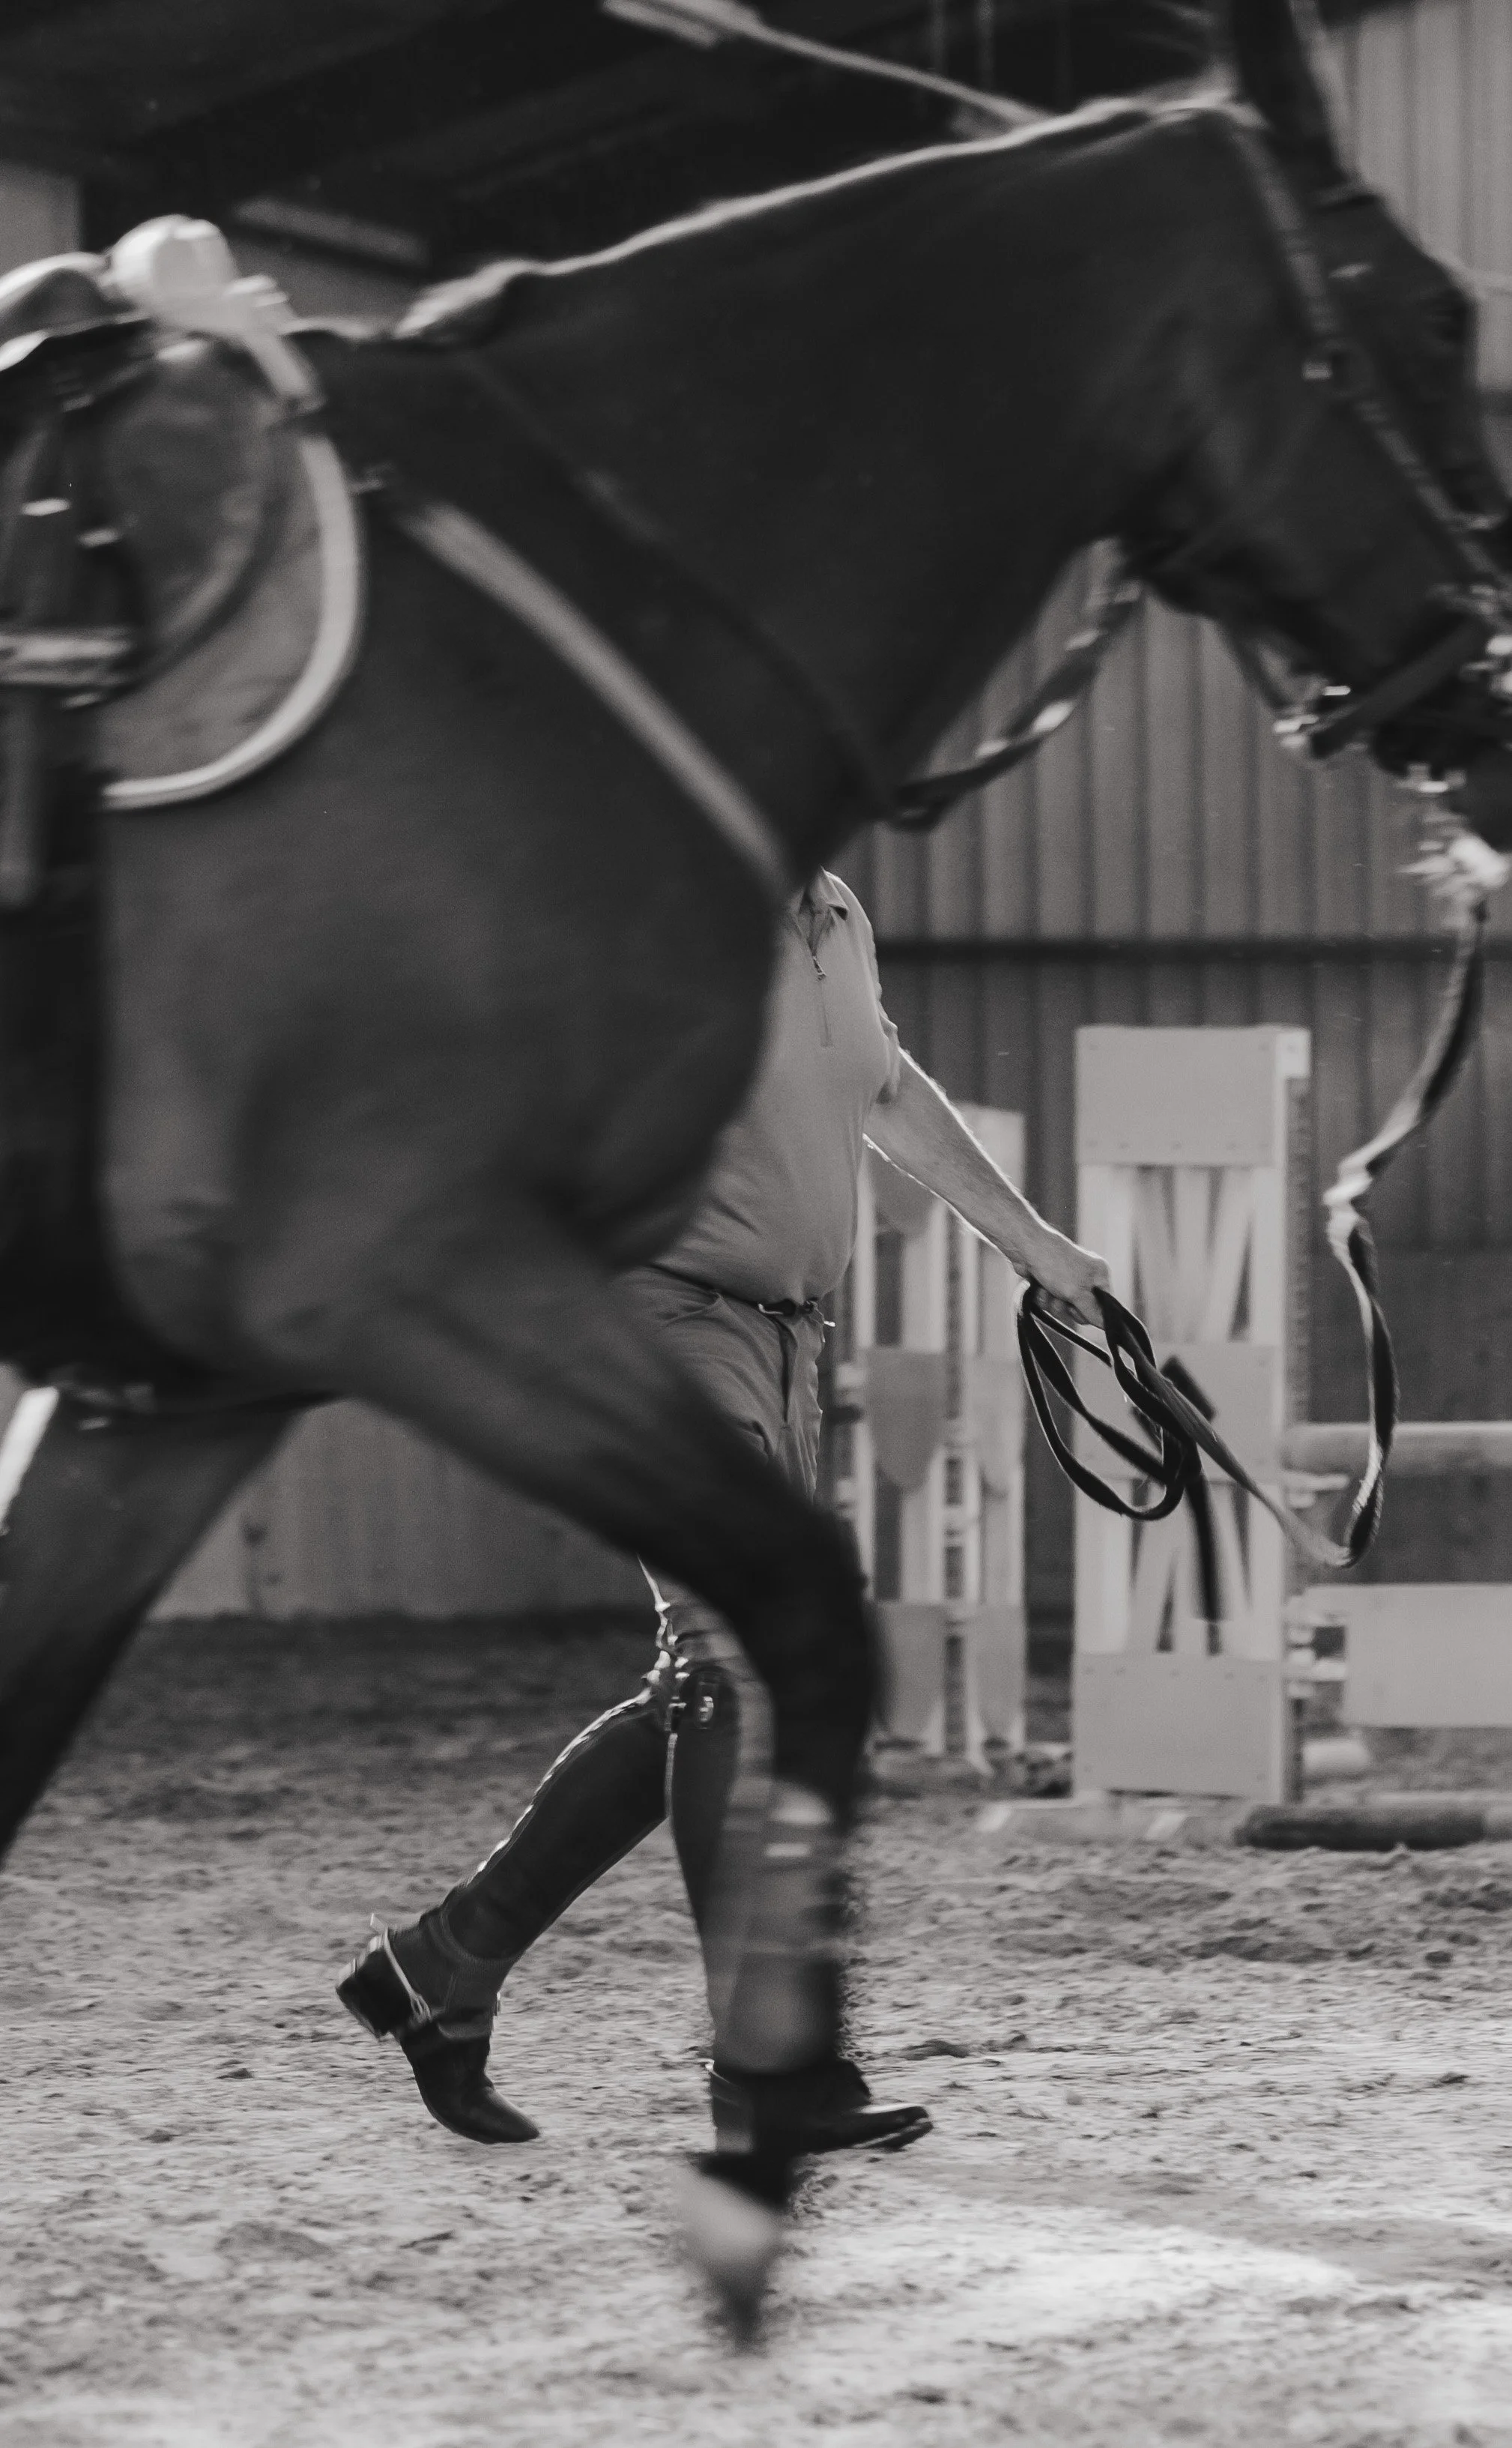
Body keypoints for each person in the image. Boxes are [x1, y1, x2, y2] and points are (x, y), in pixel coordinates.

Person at [339, 870, 1109, 2155]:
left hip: (784, 1342)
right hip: (652, 1322)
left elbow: (883, 1087)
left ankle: (443, 1965)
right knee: (741, 1663)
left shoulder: (835, 914)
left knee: (709, 1682)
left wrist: (1035, 1246)